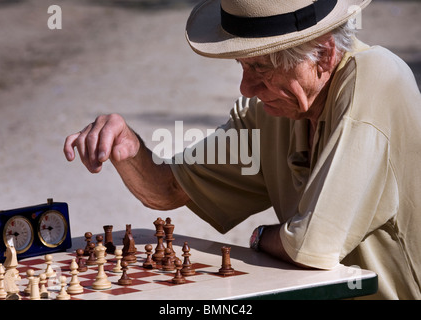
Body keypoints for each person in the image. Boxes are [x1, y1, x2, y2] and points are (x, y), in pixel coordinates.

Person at [63, 0, 421, 299]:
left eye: (261, 67)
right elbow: (167, 189)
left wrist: (258, 237)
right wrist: (129, 149)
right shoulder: (270, 112)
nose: (246, 87)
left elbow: (310, 248)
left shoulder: (375, 78)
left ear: (323, 55)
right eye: (243, 65)